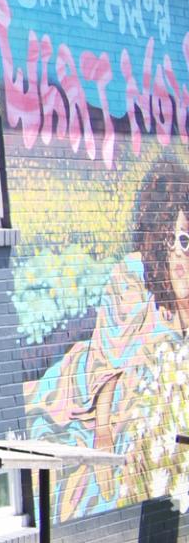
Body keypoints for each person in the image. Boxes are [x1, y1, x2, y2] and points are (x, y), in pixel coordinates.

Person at [28, 154, 189, 517]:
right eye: (175, 239)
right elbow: (108, 364)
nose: (181, 253)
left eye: (187, 240)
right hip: (87, 395)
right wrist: (103, 439)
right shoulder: (133, 276)